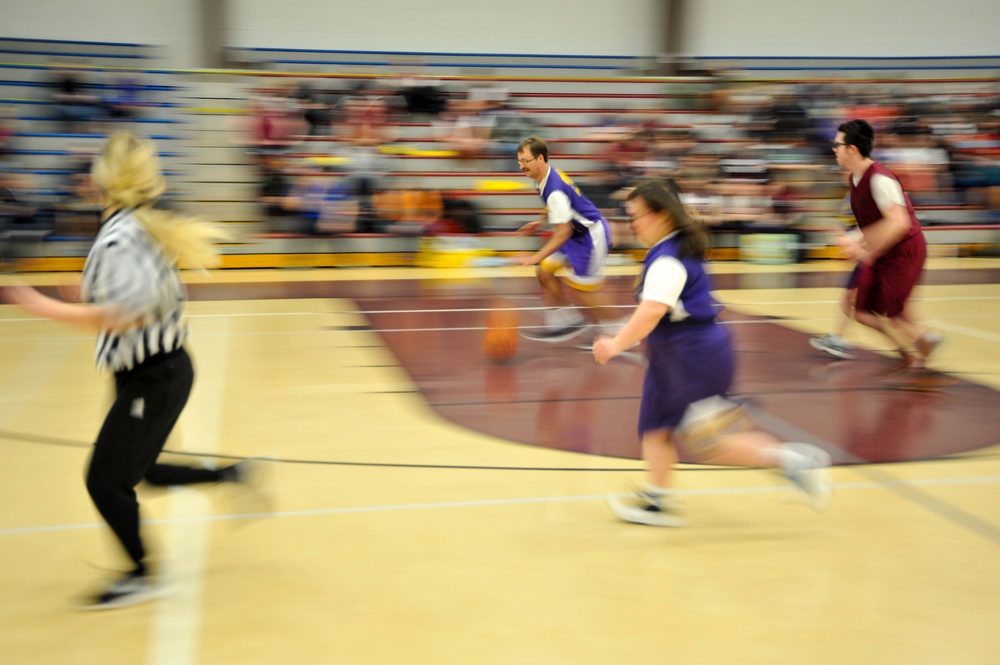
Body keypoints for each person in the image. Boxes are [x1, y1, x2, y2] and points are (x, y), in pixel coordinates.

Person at [1, 132, 263, 609]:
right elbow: (137, 300)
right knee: (141, 472)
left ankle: (143, 575)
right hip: (150, 373)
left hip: (154, 375)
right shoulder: (135, 225)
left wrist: (42, 307)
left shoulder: (123, 235)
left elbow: (127, 314)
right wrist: (88, 299)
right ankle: (232, 475)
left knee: (105, 479)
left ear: (103, 183)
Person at [592, 180, 832, 527]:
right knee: (655, 428)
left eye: (636, 216)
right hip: (671, 358)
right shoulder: (671, 248)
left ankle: (792, 461)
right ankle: (657, 502)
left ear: (661, 215)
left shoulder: (668, 259)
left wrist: (616, 343)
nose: (632, 225)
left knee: (709, 444)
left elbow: (652, 311)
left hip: (692, 358)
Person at [830, 119, 941, 373]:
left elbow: (899, 223)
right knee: (861, 311)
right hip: (884, 251)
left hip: (904, 252)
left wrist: (866, 250)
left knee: (893, 312)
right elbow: (876, 222)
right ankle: (912, 350)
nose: (834, 149)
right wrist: (856, 239)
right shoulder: (855, 179)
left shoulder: (880, 179)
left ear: (852, 149)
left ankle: (923, 353)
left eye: (837, 144)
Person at [514, 135, 626, 343]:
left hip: (590, 237)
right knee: (545, 271)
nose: (521, 166)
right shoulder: (547, 174)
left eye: (525, 161)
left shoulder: (553, 188)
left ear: (539, 159)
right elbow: (558, 206)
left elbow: (562, 231)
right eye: (519, 161)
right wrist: (540, 222)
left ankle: (621, 332)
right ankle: (564, 322)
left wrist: (535, 256)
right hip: (576, 234)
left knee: (583, 291)